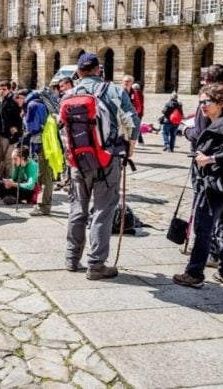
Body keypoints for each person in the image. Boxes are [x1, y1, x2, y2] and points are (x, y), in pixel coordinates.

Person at [65, 53, 139, 279]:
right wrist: (130, 151)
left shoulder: (68, 94)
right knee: (103, 211)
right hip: (107, 159)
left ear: (78, 73)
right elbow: (133, 123)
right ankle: (96, 265)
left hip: (78, 160)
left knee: (77, 208)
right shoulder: (114, 91)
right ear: (99, 70)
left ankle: (71, 257)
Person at [173, 84, 223, 288]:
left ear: (221, 102)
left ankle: (194, 273)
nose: (202, 107)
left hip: (214, 185)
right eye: (200, 103)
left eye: (206, 102)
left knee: (203, 228)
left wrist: (210, 159)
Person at [24, 90, 53, 217]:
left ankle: (43, 206)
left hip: (40, 142)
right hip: (49, 141)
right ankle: (45, 203)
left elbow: (32, 127)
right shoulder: (43, 104)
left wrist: (24, 118)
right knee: (46, 174)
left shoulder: (32, 105)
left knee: (43, 175)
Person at [0, 80, 23, 184]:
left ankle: (9, 181)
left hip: (9, 134)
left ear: (9, 89)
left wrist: (16, 132)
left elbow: (19, 118)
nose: (1, 91)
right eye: (0, 89)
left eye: (4, 89)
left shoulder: (13, 101)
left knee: (8, 160)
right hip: (0, 132)